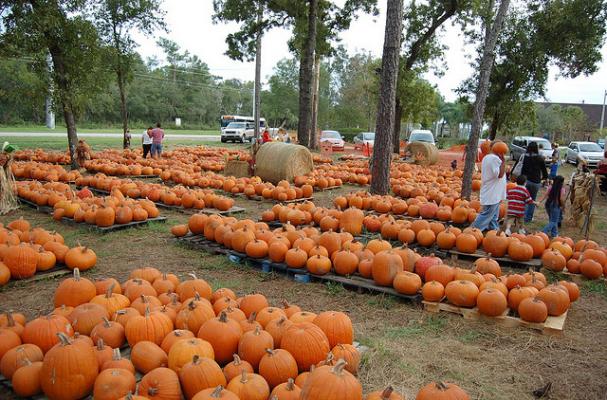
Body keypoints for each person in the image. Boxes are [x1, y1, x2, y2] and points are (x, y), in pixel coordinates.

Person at [471, 142, 507, 231]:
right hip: (493, 192)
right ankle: (474, 230)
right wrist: (503, 162)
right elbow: (499, 175)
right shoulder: (494, 159)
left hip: (493, 191)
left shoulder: (487, 157)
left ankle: (493, 229)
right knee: (488, 213)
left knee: (494, 214)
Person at [519, 141, 548, 223]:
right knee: (532, 200)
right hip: (535, 182)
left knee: (523, 199)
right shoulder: (540, 158)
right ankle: (528, 218)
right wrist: (543, 178)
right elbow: (544, 171)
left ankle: (521, 216)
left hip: (525, 181)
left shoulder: (524, 157)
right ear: (536, 148)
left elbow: (520, 168)